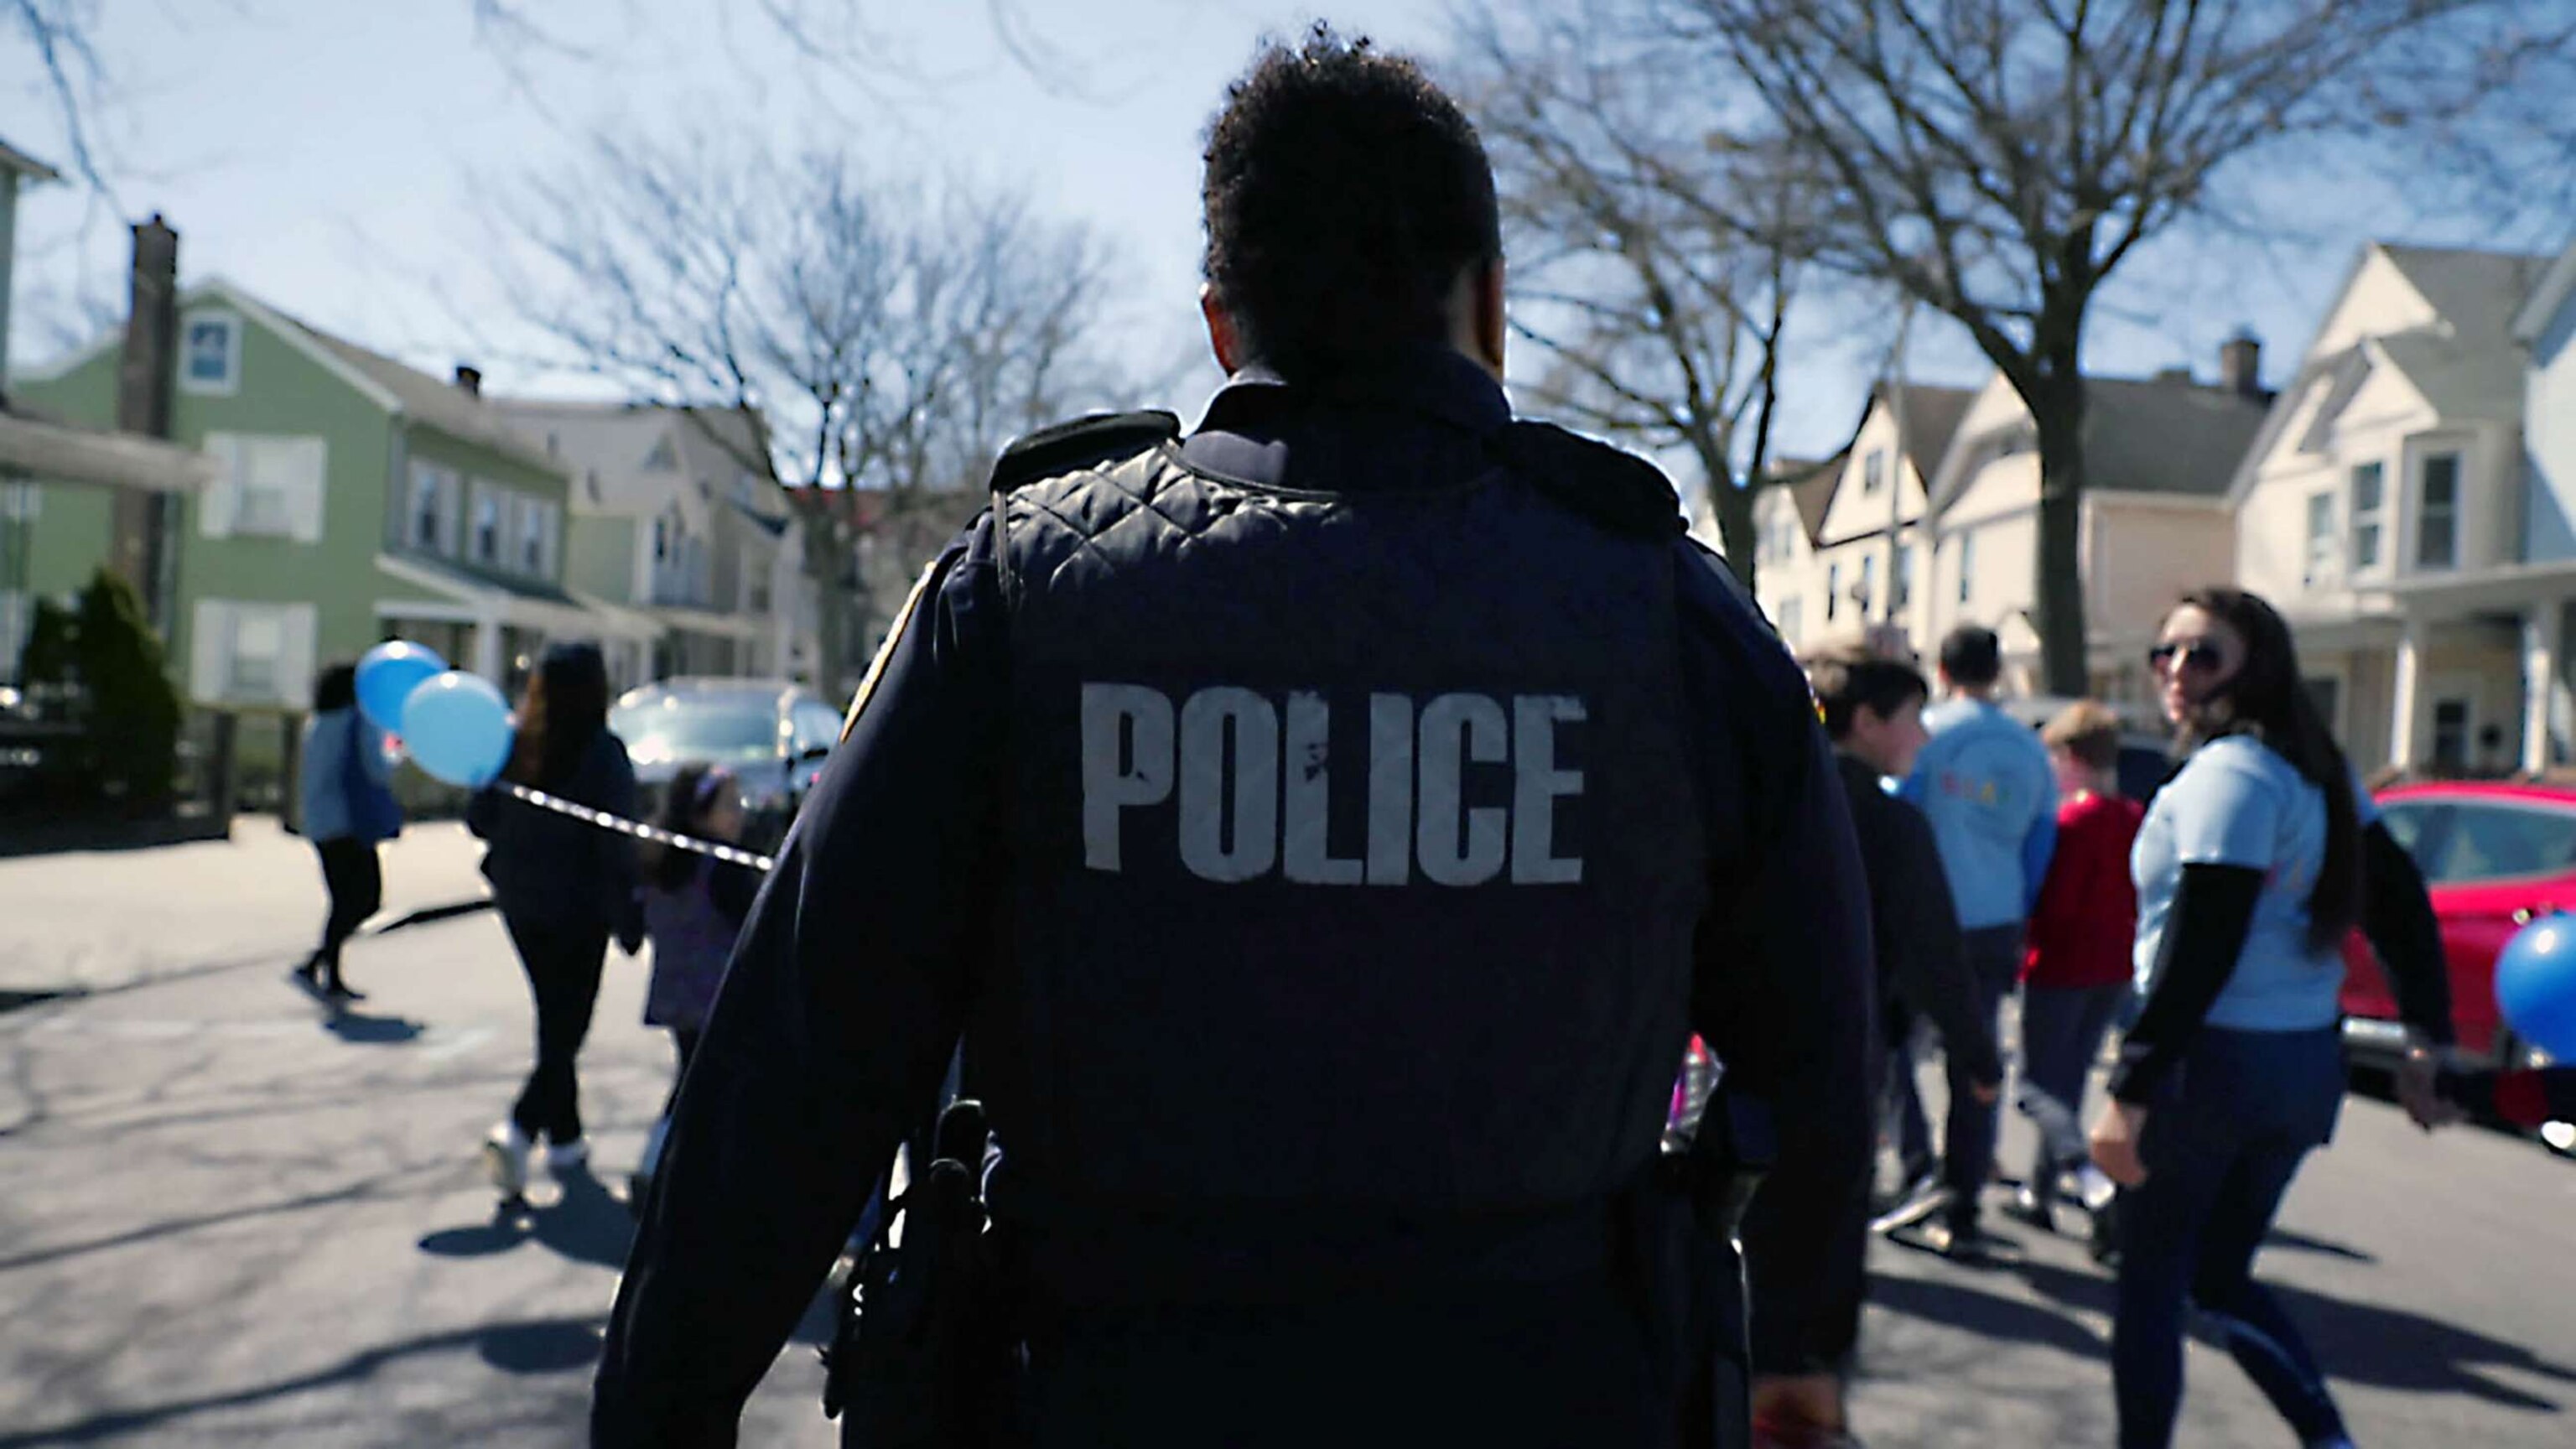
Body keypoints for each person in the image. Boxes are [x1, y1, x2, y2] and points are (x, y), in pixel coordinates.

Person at [593, 28, 1874, 1449]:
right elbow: (1817, 1026)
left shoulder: (1025, 592)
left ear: (1222, 321)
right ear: (1490, 307)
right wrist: (1799, 1335)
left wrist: (663, 1397)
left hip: (1088, 1385)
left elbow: (804, 1052)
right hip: (1551, 1383)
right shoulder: (1669, 611)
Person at [2091, 587, 2457, 1449]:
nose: (2178, 672)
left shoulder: (2231, 776)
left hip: (2215, 1069)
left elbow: (2202, 946)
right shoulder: (2316, 774)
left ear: (2256, 666)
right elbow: (2402, 905)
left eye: (2204, 654)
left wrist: (2131, 1086)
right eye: (2166, 652)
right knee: (2218, 1279)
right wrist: (2424, 1038)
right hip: (2298, 1072)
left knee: (2150, 1282)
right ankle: (2326, 1437)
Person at [1777, 648, 1999, 1437]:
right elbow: (1937, 955)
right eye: (1911, 716)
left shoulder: (1766, 796)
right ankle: (1808, 1412)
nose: (1923, 732)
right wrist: (1978, 1057)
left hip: (1738, 1053)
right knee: (1826, 1250)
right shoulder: (1887, 820)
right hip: (1839, 1057)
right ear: (1867, 721)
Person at [1887, 624, 2057, 1258]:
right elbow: (2043, 843)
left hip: (1924, 918)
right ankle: (1961, 1200)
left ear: (1942, 666)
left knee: (1890, 1047)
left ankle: (1914, 1168)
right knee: (1975, 1061)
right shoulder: (2029, 748)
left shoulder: (1929, 733)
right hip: (1996, 921)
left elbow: (1896, 813)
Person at [465, 641, 644, 1196]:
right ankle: (518, 1128)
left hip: (521, 903)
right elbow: (618, 843)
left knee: (554, 1019)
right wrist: (632, 916)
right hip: (579, 911)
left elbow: (479, 820)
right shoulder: (603, 752)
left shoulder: (515, 746)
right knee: (568, 1029)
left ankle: (565, 1139)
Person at [2007, 700, 2139, 1254]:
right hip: (2113, 968)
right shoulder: (2134, 816)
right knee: (2068, 1082)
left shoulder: (2073, 822)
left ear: (2068, 757)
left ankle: (2091, 1182)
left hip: (2061, 966)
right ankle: (2040, 1192)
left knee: (2033, 1087)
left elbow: (2056, 907)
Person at [631, 764, 761, 1204]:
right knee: (720, 1087)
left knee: (691, 1081)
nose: (738, 813)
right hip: (720, 999)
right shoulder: (723, 869)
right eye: (729, 804)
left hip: (676, 996)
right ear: (700, 814)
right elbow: (753, 925)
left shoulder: (663, 865)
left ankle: (660, 1164)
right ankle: (681, 1171)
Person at [293, 662, 402, 1000]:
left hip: (320, 822)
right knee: (366, 899)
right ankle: (324, 968)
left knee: (342, 899)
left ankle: (322, 967)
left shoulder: (316, 723)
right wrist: (398, 751)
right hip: (351, 823)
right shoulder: (359, 722)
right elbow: (378, 769)